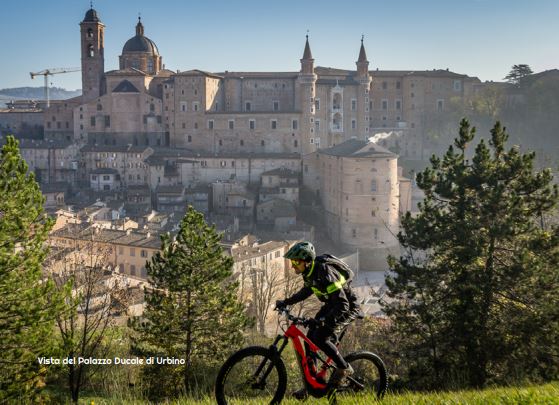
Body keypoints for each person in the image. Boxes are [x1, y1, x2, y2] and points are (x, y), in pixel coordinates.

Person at [275, 241, 362, 399]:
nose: (293, 266)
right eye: (292, 262)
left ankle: (344, 368)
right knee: (309, 339)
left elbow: (342, 304)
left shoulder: (325, 272)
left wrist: (324, 321)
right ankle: (313, 383)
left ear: (307, 261)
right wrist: (286, 302)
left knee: (320, 337)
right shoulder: (309, 273)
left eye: (296, 262)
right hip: (332, 304)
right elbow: (306, 291)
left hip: (346, 307)